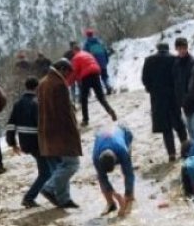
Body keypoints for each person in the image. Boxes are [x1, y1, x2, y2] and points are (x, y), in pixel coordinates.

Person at [37, 58, 82, 209]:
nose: (68, 78)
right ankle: (49, 187)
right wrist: (74, 131)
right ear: (63, 69)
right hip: (61, 131)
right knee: (72, 164)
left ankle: (64, 199)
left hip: (47, 131)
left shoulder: (43, 82)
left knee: (63, 165)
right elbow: (65, 113)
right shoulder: (59, 84)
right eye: (68, 73)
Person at [6, 77, 50, 208]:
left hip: (25, 143)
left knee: (48, 169)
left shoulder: (17, 104)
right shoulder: (37, 103)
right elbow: (43, 126)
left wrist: (12, 143)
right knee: (47, 172)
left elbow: (10, 125)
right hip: (37, 143)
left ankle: (48, 193)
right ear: (37, 88)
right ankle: (29, 197)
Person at [142, 41, 187, 161]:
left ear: (157, 49)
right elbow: (179, 77)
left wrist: (151, 89)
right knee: (179, 123)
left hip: (158, 98)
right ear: (168, 49)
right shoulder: (174, 59)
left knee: (166, 127)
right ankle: (185, 147)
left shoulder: (149, 60)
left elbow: (145, 79)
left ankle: (171, 153)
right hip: (173, 96)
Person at [63, 49, 117, 127]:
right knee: (101, 97)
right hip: (95, 73)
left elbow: (73, 74)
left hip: (86, 76)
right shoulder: (85, 53)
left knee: (84, 99)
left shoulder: (75, 59)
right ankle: (111, 111)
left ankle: (85, 120)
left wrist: (66, 84)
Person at [92, 123, 134, 217]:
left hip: (124, 131)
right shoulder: (96, 157)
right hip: (102, 133)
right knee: (101, 177)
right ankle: (111, 204)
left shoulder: (122, 150)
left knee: (126, 169)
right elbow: (102, 178)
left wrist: (127, 194)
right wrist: (115, 194)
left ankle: (129, 198)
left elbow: (129, 173)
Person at [173, 37, 194, 140]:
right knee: (190, 129)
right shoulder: (176, 64)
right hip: (185, 104)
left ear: (187, 48)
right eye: (179, 48)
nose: (181, 50)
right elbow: (176, 83)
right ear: (176, 49)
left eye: (183, 48)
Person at [82, 29, 114, 94]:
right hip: (103, 62)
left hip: (94, 63)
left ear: (87, 35)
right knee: (104, 76)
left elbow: (85, 55)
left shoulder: (87, 44)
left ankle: (100, 91)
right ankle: (108, 86)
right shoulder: (99, 42)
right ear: (93, 34)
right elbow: (105, 51)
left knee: (96, 78)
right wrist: (106, 61)